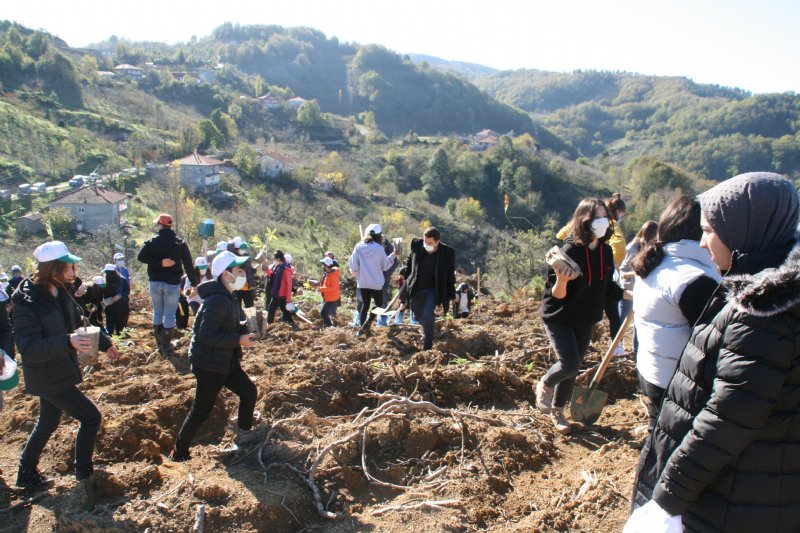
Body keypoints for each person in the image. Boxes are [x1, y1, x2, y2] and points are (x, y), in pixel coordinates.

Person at [628, 172, 800, 533]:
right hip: (754, 481)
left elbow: (726, 421)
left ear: (741, 232)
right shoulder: (765, 295)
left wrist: (667, 501)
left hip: (737, 494)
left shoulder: (760, 313)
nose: (704, 244)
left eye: (708, 231)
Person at [13, 241, 119, 489]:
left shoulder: (61, 292)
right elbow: (29, 349)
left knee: (48, 422)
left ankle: (25, 472)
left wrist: (105, 344)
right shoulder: (27, 303)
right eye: (69, 267)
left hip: (59, 369)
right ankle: (84, 475)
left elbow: (79, 321)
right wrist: (68, 342)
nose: (74, 272)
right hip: (47, 374)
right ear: (53, 268)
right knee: (91, 417)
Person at [630, 196, 720, 430]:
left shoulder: (652, 263)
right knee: (674, 445)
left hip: (650, 370)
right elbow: (716, 345)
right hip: (678, 381)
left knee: (657, 435)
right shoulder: (693, 279)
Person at [536, 199, 622, 434]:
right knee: (569, 363)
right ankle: (546, 382)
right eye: (597, 217)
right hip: (559, 315)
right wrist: (563, 280)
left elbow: (607, 289)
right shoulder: (570, 250)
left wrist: (631, 294)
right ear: (584, 220)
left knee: (573, 368)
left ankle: (558, 412)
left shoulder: (606, 251)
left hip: (586, 317)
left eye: (605, 216)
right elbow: (558, 295)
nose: (603, 222)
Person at [171, 251, 257, 461]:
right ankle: (179, 452)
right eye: (238, 270)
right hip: (209, 364)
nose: (243, 273)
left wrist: (247, 327)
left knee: (248, 392)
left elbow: (229, 324)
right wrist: (238, 340)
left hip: (225, 360)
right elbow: (206, 334)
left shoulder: (230, 296)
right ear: (226, 275)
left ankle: (244, 437)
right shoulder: (217, 300)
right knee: (201, 410)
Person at [137, 213, 197, 357]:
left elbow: (141, 257)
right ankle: (166, 345)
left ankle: (160, 344)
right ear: (170, 225)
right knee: (170, 314)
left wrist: (158, 263)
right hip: (172, 283)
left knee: (158, 312)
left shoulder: (152, 242)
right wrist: (194, 283)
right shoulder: (179, 243)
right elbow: (188, 265)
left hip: (155, 282)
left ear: (159, 224)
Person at [401, 226, 456, 350]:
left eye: (429, 243)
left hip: (433, 290)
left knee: (427, 314)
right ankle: (430, 329)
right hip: (416, 288)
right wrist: (406, 278)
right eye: (425, 241)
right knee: (417, 316)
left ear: (437, 241)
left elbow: (449, 275)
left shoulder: (447, 253)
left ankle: (428, 344)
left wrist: (452, 294)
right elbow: (410, 262)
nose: (426, 244)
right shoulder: (416, 245)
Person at [349, 223, 397, 336]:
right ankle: (368, 322)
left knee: (365, 306)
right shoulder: (379, 249)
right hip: (376, 283)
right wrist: (394, 255)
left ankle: (363, 330)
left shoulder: (358, 246)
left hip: (363, 282)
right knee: (379, 305)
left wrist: (354, 272)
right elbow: (385, 266)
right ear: (379, 235)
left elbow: (353, 264)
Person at [618, 220, 658, 353]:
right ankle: (617, 346)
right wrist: (638, 273)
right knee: (622, 320)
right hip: (629, 290)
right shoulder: (633, 248)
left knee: (638, 322)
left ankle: (636, 350)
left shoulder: (651, 248)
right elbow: (623, 271)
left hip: (642, 291)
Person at [605, 193, 627, 354]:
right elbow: (619, 247)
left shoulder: (590, 221)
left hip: (588, 274)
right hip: (605, 276)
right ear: (619, 212)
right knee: (613, 314)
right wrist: (614, 263)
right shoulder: (612, 225)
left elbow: (562, 234)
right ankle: (617, 348)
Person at [102, 263, 130, 336]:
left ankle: (120, 342)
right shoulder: (104, 282)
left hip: (122, 306)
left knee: (120, 327)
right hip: (110, 307)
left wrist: (119, 296)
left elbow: (127, 291)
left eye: (108, 273)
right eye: (106, 273)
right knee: (109, 327)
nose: (107, 275)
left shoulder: (122, 280)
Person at [318, 256, 340, 328]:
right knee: (325, 313)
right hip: (329, 297)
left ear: (327, 266)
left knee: (323, 313)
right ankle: (327, 326)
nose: (322, 266)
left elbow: (333, 288)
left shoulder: (333, 275)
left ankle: (330, 326)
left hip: (331, 298)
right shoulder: (329, 273)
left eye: (323, 265)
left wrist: (321, 289)